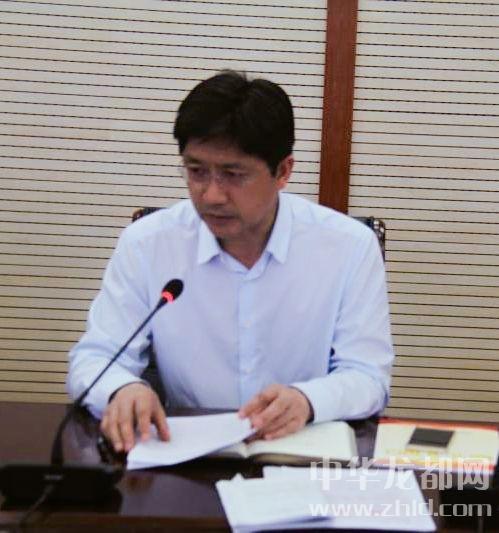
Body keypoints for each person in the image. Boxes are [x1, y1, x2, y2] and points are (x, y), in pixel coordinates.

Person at [67, 70, 394, 453]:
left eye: (233, 174)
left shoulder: (349, 247)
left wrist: (308, 400)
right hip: (186, 456)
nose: (211, 195)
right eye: (196, 171)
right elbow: (96, 357)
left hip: (301, 452)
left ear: (283, 172)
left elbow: (368, 376)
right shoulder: (148, 243)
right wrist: (122, 388)